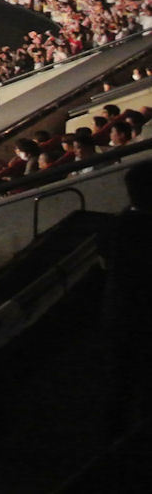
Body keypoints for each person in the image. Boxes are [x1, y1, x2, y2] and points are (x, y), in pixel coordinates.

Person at [101, 161, 152, 434]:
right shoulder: (139, 229)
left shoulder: (117, 226)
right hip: (140, 318)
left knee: (120, 383)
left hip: (119, 316)